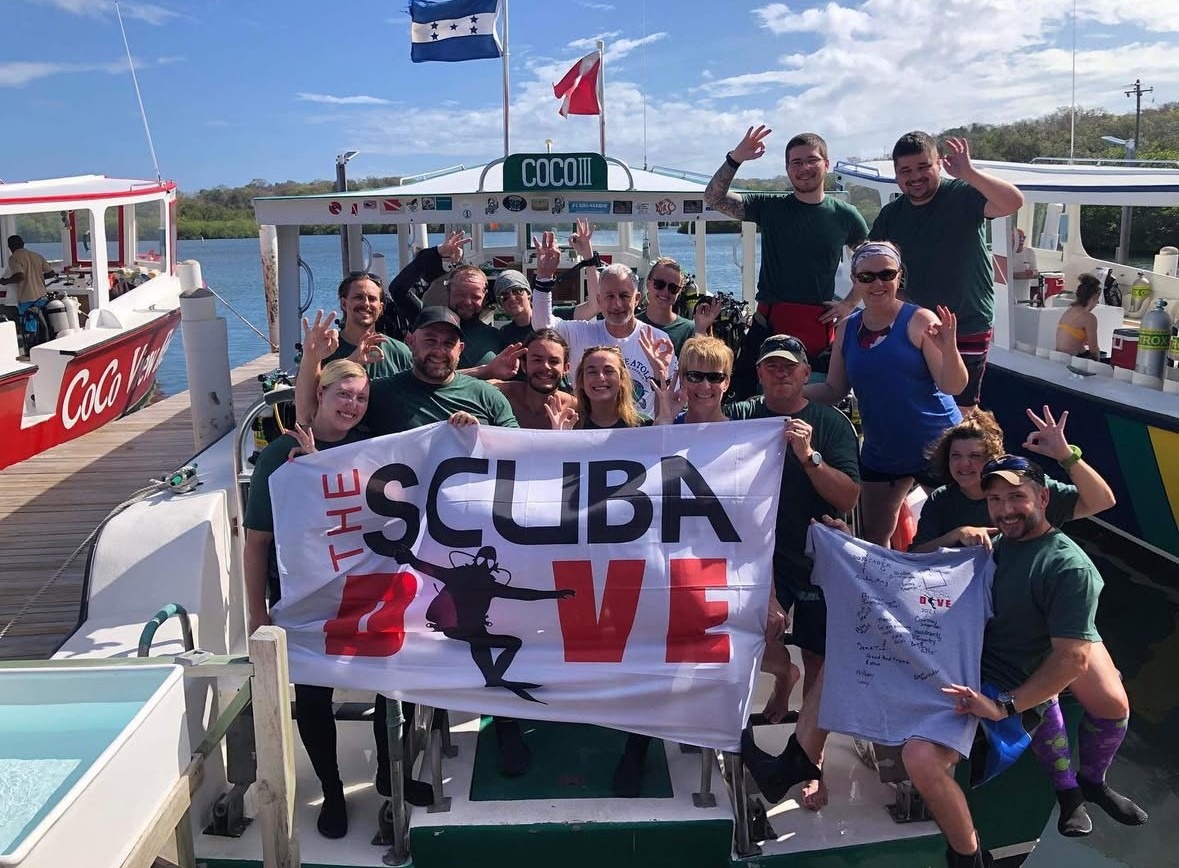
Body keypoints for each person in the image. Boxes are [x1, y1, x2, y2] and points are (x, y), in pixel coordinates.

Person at [912, 407, 1142, 837]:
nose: (966, 465)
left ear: (1041, 498)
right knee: (1042, 682)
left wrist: (1066, 455)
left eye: (977, 457)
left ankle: (1093, 783)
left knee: (1110, 702)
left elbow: (1102, 500)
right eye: (958, 456)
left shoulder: (1045, 521)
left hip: (1052, 615)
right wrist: (957, 535)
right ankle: (1067, 790)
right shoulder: (947, 504)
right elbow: (913, 558)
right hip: (1003, 627)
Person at [242, 359, 433, 837]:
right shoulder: (280, 456)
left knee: (394, 683)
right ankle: (331, 789)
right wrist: (255, 613)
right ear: (320, 397)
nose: (352, 405)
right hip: (306, 593)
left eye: (360, 397)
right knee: (313, 693)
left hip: (370, 589)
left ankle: (391, 776)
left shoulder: (372, 446)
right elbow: (257, 541)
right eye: (342, 395)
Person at [725, 334, 861, 810]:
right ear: (759, 374)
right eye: (771, 367)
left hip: (812, 558)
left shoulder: (828, 423)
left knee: (821, 663)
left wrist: (810, 457)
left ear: (807, 374)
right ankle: (778, 685)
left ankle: (810, 762)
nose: (781, 374)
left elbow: (847, 497)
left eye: (790, 367)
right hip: (749, 556)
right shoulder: (740, 415)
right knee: (740, 643)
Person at [654, 335, 799, 724]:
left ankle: (787, 676)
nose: (703, 387)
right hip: (678, 561)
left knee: (757, 648)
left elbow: (759, 525)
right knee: (682, 653)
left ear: (728, 381)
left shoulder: (749, 442)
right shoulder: (664, 428)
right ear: (680, 379)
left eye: (713, 377)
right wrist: (665, 419)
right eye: (694, 376)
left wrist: (769, 597)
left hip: (731, 565)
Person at [806, 241, 967, 547]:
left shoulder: (921, 320)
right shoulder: (847, 329)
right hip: (884, 450)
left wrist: (950, 348)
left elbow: (953, 386)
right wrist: (785, 397)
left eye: (886, 274)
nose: (877, 284)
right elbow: (833, 389)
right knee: (875, 538)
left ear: (899, 276)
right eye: (867, 277)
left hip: (939, 447)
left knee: (962, 532)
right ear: (855, 280)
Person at [857, 133, 1024, 409]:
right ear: (897, 175)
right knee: (918, 401)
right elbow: (872, 263)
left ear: (938, 164)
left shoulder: (962, 194)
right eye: (906, 171)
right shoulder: (892, 214)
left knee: (961, 408)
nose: (915, 176)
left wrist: (969, 172)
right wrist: (851, 306)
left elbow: (1012, 202)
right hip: (917, 327)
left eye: (923, 166)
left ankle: (962, 452)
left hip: (967, 323)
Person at [704, 127, 868, 393]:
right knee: (744, 402)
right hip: (768, 325)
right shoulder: (770, 207)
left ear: (826, 164)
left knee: (820, 406)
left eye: (812, 160)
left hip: (819, 331)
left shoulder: (846, 215)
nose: (804, 167)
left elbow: (873, 263)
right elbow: (713, 198)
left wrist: (850, 303)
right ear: (788, 168)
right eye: (796, 162)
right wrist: (736, 158)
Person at [531, 232, 676, 418]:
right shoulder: (581, 333)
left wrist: (662, 373)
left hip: (641, 436)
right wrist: (544, 276)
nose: (616, 304)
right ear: (599, 300)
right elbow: (543, 327)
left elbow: (673, 399)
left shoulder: (658, 341)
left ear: (637, 299)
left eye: (624, 296)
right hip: (591, 434)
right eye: (609, 296)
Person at [495, 329, 579, 430]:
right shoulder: (500, 394)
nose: (545, 366)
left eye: (553, 361)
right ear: (524, 365)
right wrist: (485, 371)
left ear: (566, 369)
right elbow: (470, 385)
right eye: (537, 360)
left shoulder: (576, 408)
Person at [636, 257, 718, 356]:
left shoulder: (690, 330)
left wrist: (701, 330)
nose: (665, 291)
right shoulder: (631, 325)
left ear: (679, 292)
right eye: (659, 284)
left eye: (673, 288)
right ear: (648, 283)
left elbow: (702, 364)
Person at [573, 345, 651, 429]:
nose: (601, 377)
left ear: (622, 379)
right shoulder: (570, 426)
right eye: (592, 372)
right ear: (581, 381)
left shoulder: (644, 425)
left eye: (609, 371)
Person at [0, 235, 56, 311]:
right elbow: (51, 273)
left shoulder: (14, 258)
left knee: (29, 321)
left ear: (9, 246)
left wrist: (5, 281)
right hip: (42, 296)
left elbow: (20, 276)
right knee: (42, 321)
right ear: (23, 244)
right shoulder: (36, 256)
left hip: (27, 299)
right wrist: (38, 277)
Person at [1055, 274, 1103, 359]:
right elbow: (1094, 349)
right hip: (1073, 360)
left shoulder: (1069, 311)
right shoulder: (1089, 318)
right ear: (1095, 297)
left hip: (1058, 357)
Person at [1010, 229, 1039, 304]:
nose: (1022, 240)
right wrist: (1021, 275)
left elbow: (1036, 272)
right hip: (1009, 297)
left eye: (1023, 237)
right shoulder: (1005, 254)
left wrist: (1032, 273)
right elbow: (1004, 275)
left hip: (1024, 297)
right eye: (1019, 238)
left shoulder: (1030, 253)